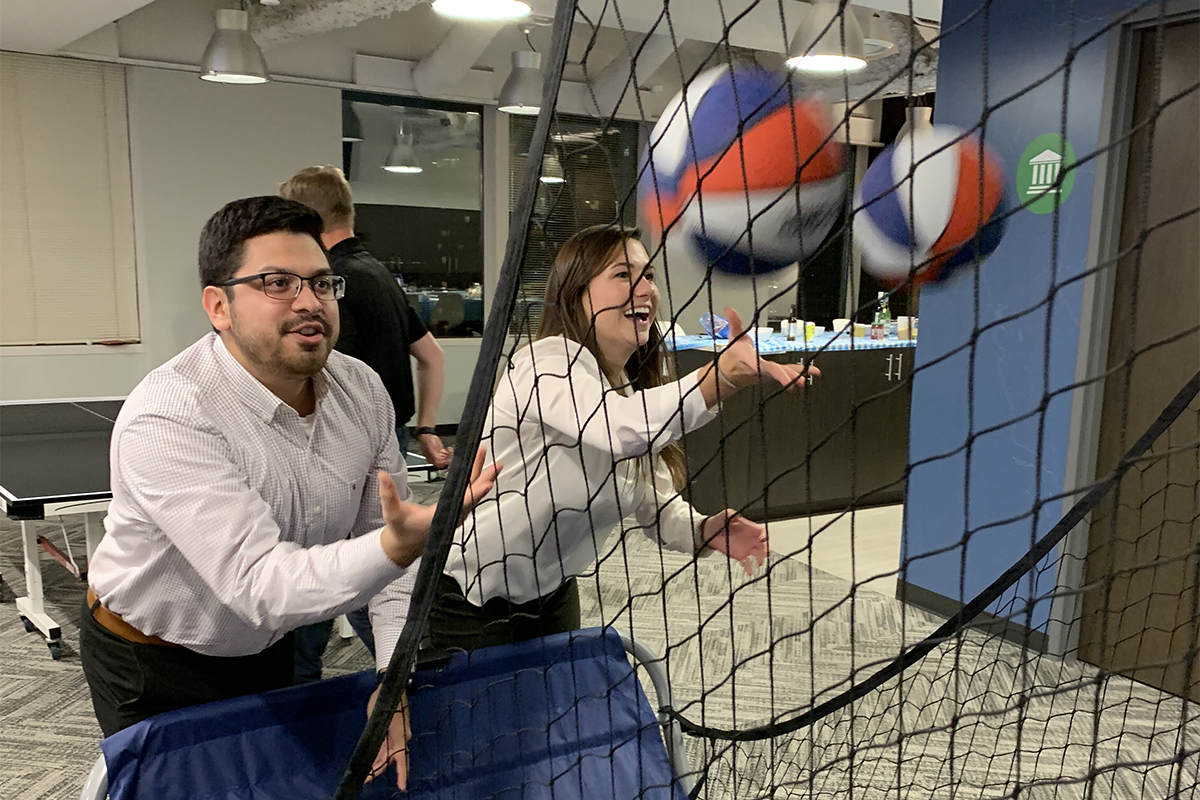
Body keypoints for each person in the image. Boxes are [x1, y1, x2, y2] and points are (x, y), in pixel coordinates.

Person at [80, 197, 497, 787]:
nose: (309, 302)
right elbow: (263, 584)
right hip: (151, 660)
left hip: (268, 646)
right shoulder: (170, 413)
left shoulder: (363, 391)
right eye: (277, 283)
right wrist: (394, 548)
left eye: (323, 283)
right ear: (218, 306)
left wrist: (390, 675)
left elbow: (388, 545)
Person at [374, 224, 818, 656]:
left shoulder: (624, 388)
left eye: (648, 276)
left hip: (553, 593)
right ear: (576, 294)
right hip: (468, 599)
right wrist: (718, 378)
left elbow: (654, 505)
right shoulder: (546, 363)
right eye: (624, 275)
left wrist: (705, 530)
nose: (645, 288)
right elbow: (618, 429)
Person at [279, 166, 452, 680]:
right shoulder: (381, 275)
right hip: (389, 439)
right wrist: (427, 427)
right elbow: (434, 356)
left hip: (337, 449)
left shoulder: (321, 290)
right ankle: (411, 674)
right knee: (376, 570)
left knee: (315, 602)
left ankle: (314, 700)